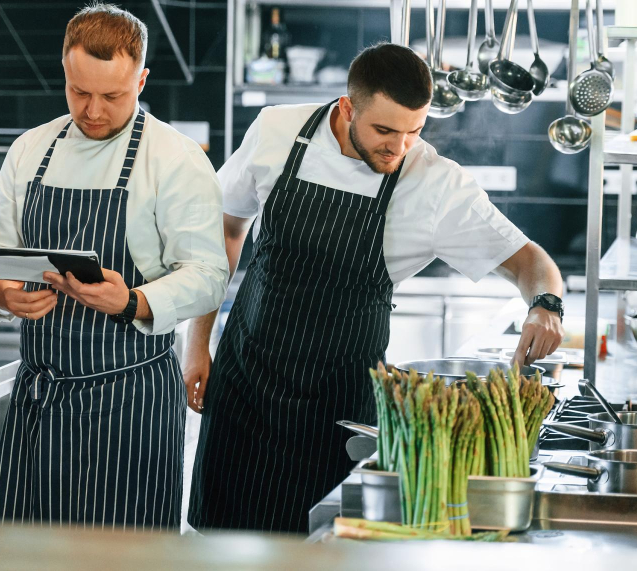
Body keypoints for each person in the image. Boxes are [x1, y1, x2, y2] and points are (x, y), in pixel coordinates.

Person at [186, 42, 565, 534]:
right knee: (217, 549)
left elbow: (530, 261)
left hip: (336, 417)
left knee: (323, 550)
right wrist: (198, 344)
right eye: (384, 130)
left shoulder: (434, 184)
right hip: (243, 390)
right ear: (347, 108)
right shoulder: (277, 131)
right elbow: (226, 230)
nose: (398, 147)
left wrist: (545, 304)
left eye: (414, 131)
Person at [0, 2, 228, 528]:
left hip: (131, 401)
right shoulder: (30, 150)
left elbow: (208, 276)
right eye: (79, 92)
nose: (92, 110)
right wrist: (3, 293)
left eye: (112, 96)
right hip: (40, 397)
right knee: (20, 556)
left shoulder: (175, 159)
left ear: (141, 79)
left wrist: (133, 300)